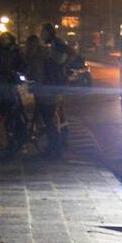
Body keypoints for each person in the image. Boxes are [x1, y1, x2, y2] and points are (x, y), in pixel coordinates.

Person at [24, 34, 61, 157]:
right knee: (48, 121)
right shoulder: (46, 55)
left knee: (48, 121)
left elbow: (37, 77)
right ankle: (53, 148)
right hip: (51, 92)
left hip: (44, 93)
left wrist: (30, 82)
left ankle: (54, 149)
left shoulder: (36, 58)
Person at [39, 23, 73, 156]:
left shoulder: (57, 43)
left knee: (56, 110)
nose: (41, 34)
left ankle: (61, 139)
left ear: (48, 32)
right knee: (59, 110)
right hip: (55, 80)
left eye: (43, 32)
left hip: (56, 81)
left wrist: (61, 66)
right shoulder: (51, 44)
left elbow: (72, 53)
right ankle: (63, 137)